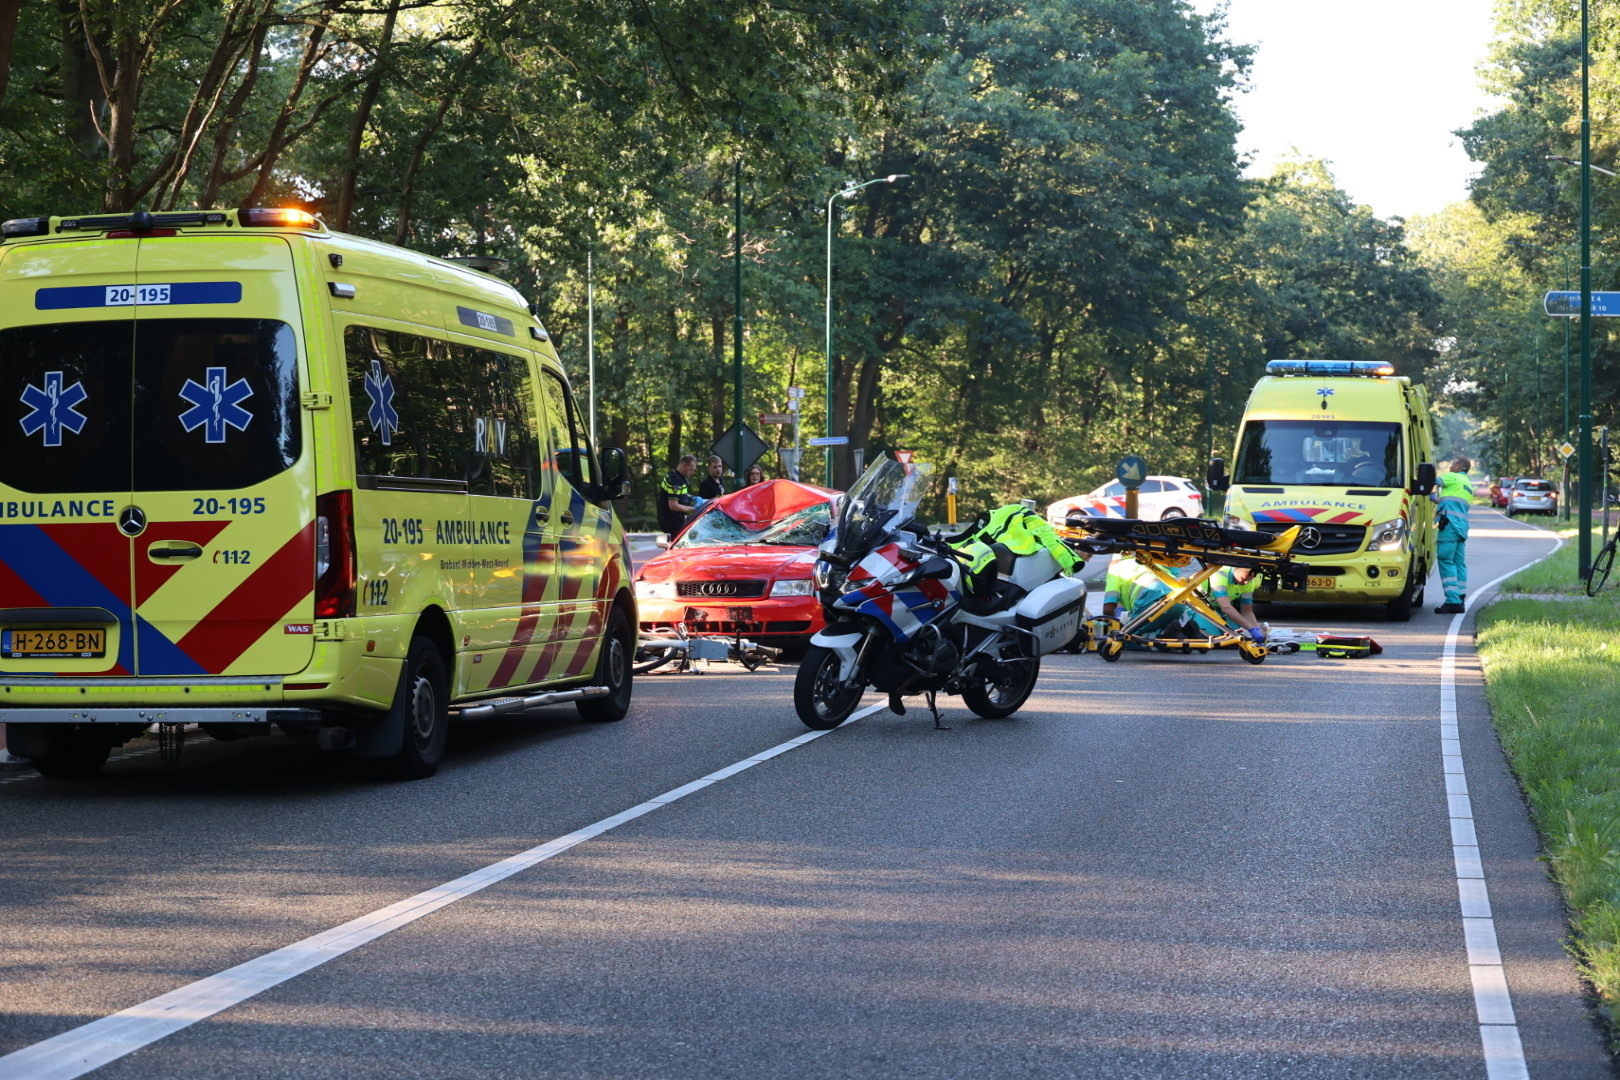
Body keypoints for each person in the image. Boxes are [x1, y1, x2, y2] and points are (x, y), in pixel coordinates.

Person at [1433, 455, 1472, 614]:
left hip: (1449, 526)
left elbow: (1432, 481)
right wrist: (1435, 500)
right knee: (1458, 563)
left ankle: (1452, 601)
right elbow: (1452, 502)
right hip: (1461, 527)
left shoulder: (1453, 477)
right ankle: (1460, 597)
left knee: (1445, 560)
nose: (1449, 467)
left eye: (1452, 464)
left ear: (1458, 467)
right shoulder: (1467, 484)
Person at [657, 454, 702, 539]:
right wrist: (694, 509)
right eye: (691, 470)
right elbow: (673, 506)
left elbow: (680, 494)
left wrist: (691, 497)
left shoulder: (676, 475)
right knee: (675, 546)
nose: (692, 473)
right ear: (684, 465)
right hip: (671, 520)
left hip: (672, 519)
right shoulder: (675, 480)